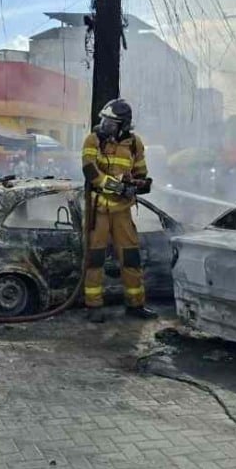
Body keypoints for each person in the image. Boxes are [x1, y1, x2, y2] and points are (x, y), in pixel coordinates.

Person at [81, 98, 155, 323]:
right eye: (104, 121)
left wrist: (140, 184)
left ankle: (136, 304)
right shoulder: (93, 140)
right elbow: (90, 171)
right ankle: (94, 306)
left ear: (123, 125)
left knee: (131, 257)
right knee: (95, 259)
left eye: (110, 123)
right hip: (99, 210)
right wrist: (116, 186)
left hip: (122, 211)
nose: (104, 126)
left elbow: (140, 173)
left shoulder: (134, 143)